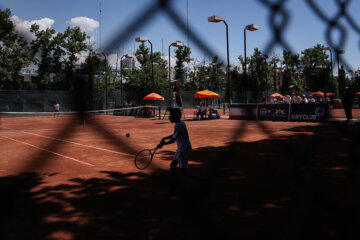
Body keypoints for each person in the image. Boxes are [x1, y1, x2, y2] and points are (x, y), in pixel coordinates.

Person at [158, 108, 201, 196]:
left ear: (175, 117)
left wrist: (163, 144)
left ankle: (173, 188)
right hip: (182, 149)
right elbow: (174, 135)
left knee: (183, 171)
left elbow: (174, 139)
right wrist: (164, 138)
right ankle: (199, 180)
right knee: (174, 166)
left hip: (183, 150)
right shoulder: (180, 123)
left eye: (170, 116)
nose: (169, 117)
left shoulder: (178, 125)